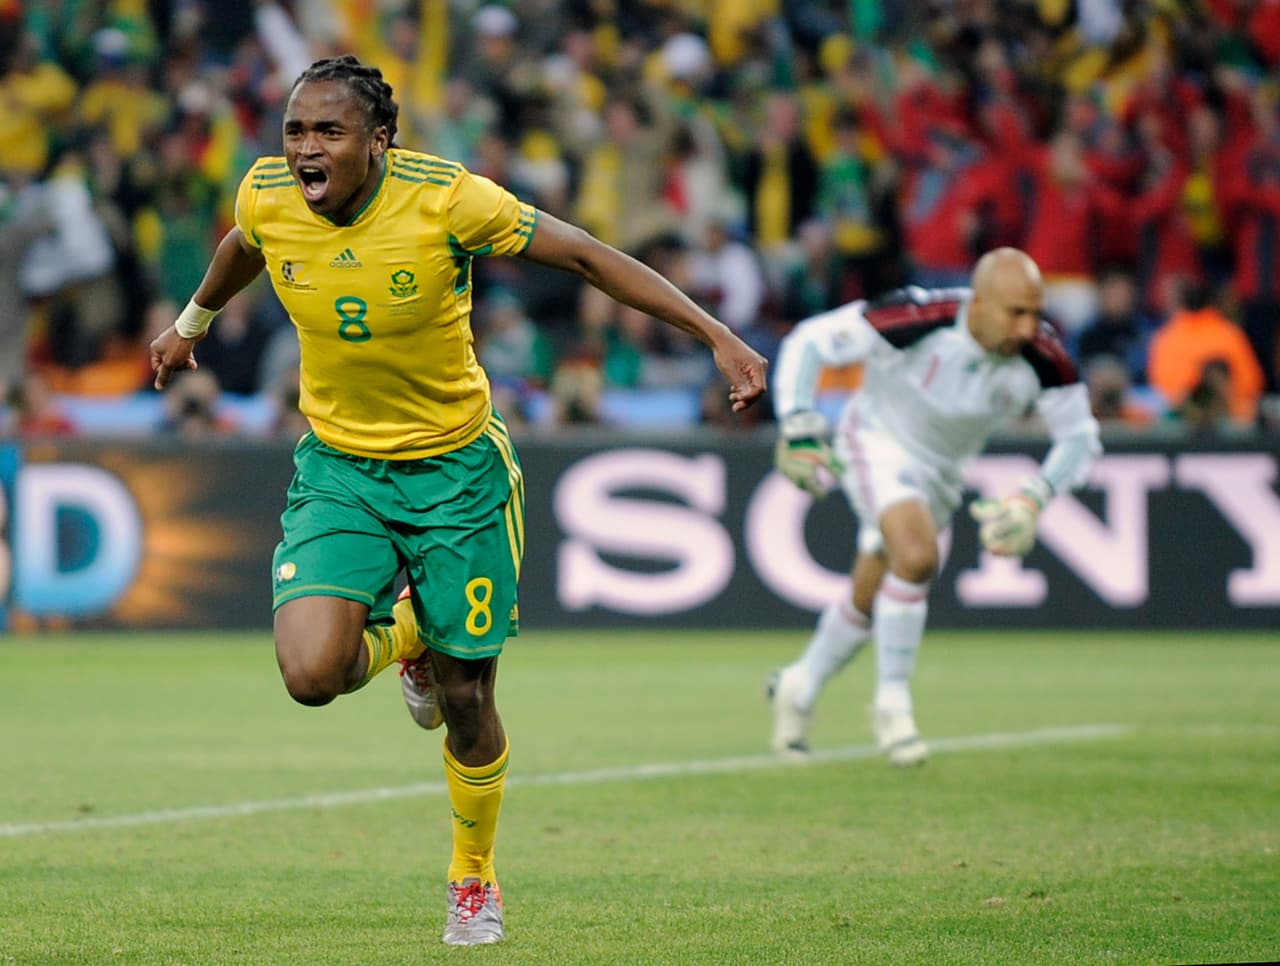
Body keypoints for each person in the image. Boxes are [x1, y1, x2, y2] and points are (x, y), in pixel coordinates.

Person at [149, 55, 767, 946]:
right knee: (310, 676)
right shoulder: (266, 194)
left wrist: (716, 335)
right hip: (341, 467)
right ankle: (408, 636)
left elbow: (588, 257)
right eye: (294, 130)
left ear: (379, 140)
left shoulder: (450, 200)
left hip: (458, 474)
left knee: (468, 696)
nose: (305, 150)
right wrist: (191, 323)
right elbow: (245, 245)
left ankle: (472, 877)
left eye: (328, 131)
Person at [767, 248, 1100, 766]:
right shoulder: (917, 317)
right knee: (919, 557)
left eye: (1036, 313)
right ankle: (892, 704)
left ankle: (800, 684)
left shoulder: (1045, 355)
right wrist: (797, 420)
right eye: (1016, 312)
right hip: (875, 440)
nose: (1028, 326)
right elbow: (809, 342)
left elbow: (1079, 438)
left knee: (873, 588)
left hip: (943, 473)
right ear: (980, 302)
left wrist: (1035, 498)